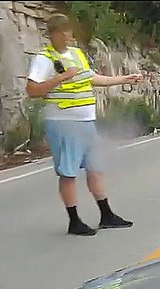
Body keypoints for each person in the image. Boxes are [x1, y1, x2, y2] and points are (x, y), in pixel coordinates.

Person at [26, 14, 143, 236]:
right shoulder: (44, 59)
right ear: (53, 34)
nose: (68, 36)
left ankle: (106, 214)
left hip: (85, 121)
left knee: (95, 168)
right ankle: (74, 221)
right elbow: (33, 90)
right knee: (69, 172)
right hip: (63, 122)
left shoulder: (77, 54)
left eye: (69, 31)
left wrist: (123, 79)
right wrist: (61, 78)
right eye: (64, 32)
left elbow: (92, 78)